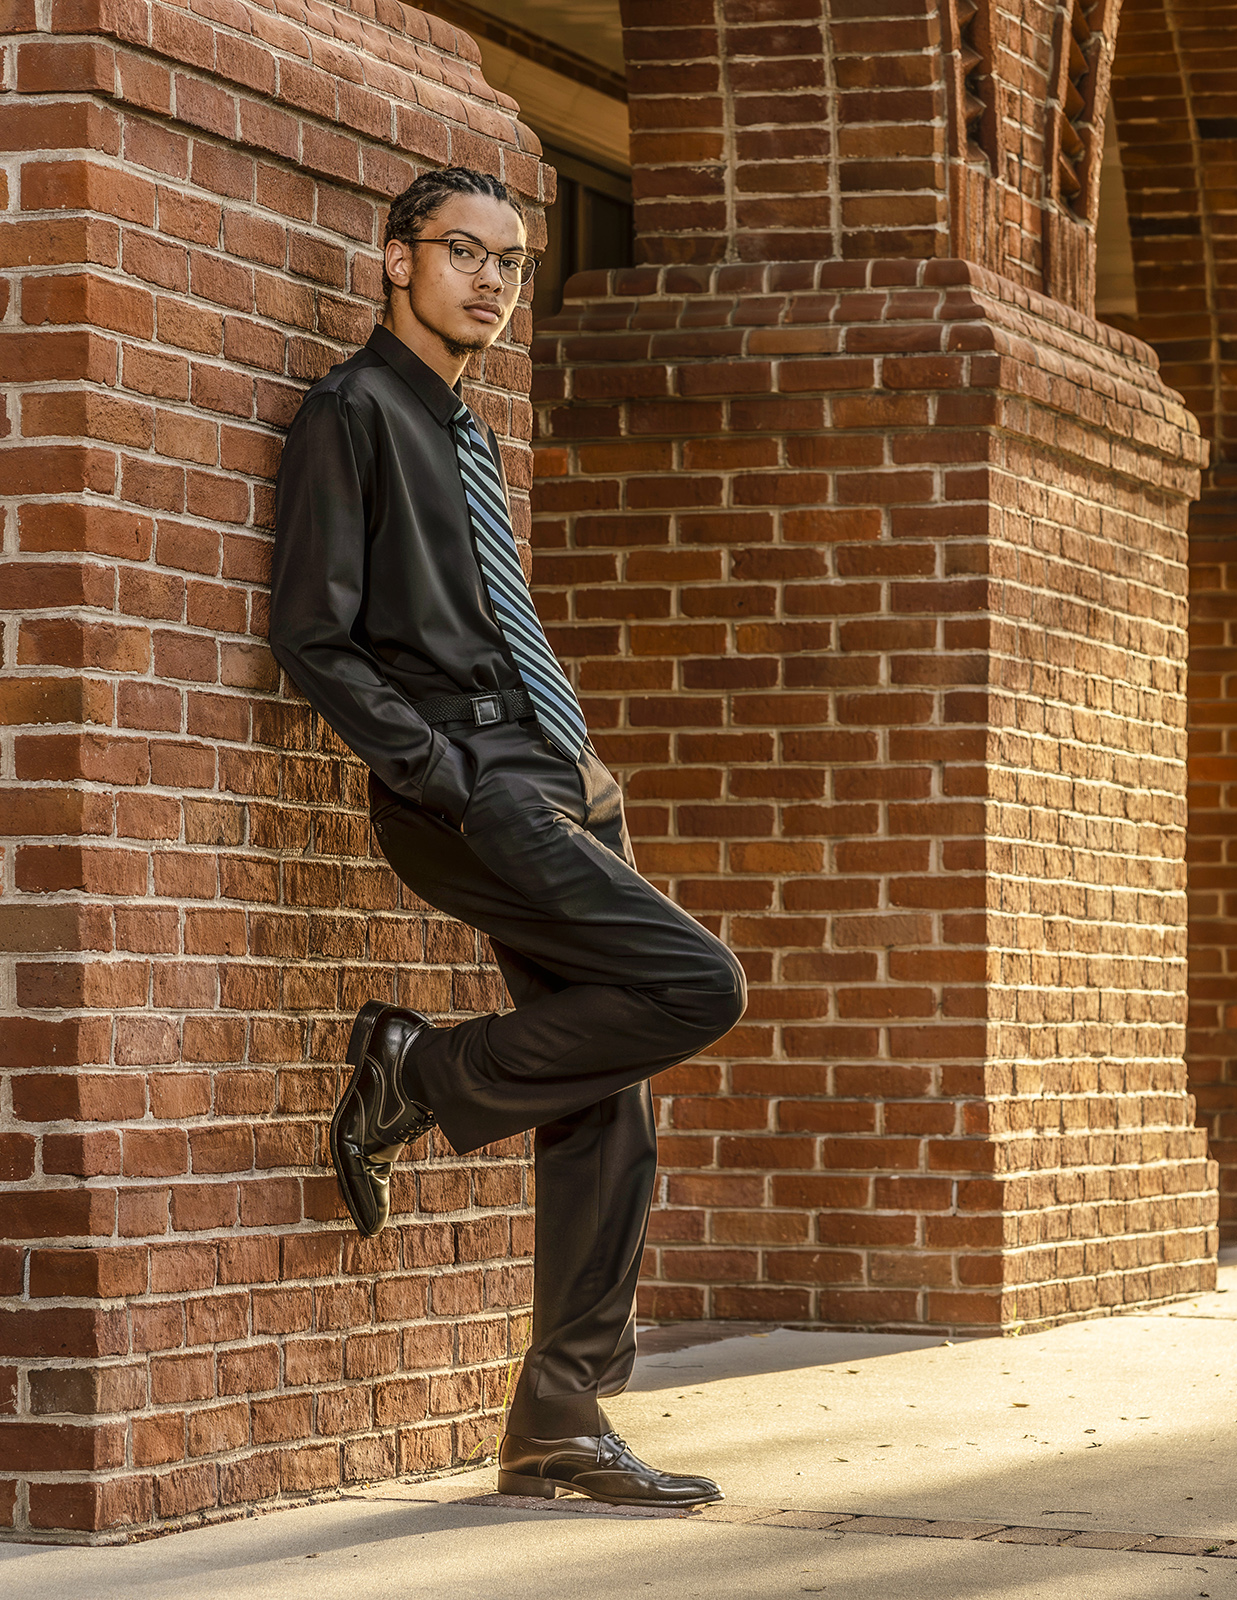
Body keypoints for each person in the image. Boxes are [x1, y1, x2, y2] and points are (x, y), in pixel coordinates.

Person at [267, 165, 746, 1509]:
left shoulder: (465, 431)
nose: (489, 281)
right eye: (462, 252)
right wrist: (442, 770)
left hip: (550, 775)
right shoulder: (354, 413)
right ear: (393, 260)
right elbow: (312, 634)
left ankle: (560, 1423)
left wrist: (572, 764)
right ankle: (416, 1068)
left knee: (611, 1102)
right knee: (698, 984)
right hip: (471, 784)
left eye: (512, 264)